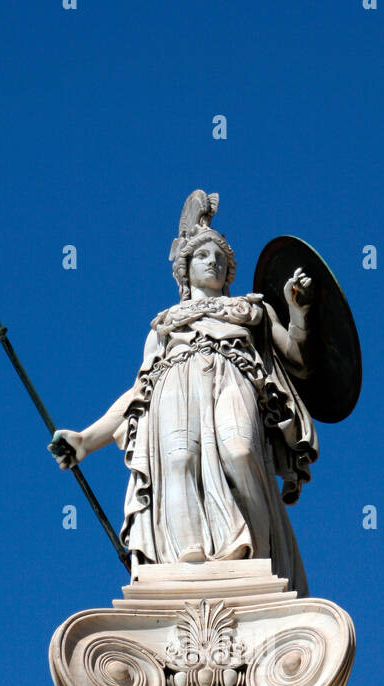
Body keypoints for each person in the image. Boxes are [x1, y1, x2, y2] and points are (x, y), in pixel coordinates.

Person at [49, 192, 319, 594]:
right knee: (178, 460)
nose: (213, 261)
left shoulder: (252, 311)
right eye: (202, 255)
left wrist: (298, 313)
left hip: (233, 376)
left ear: (229, 271)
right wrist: (86, 439)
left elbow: (298, 359)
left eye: (220, 257)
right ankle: (187, 555)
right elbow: (139, 394)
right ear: (185, 268)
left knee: (241, 450)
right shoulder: (164, 327)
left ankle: (257, 557)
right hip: (176, 382)